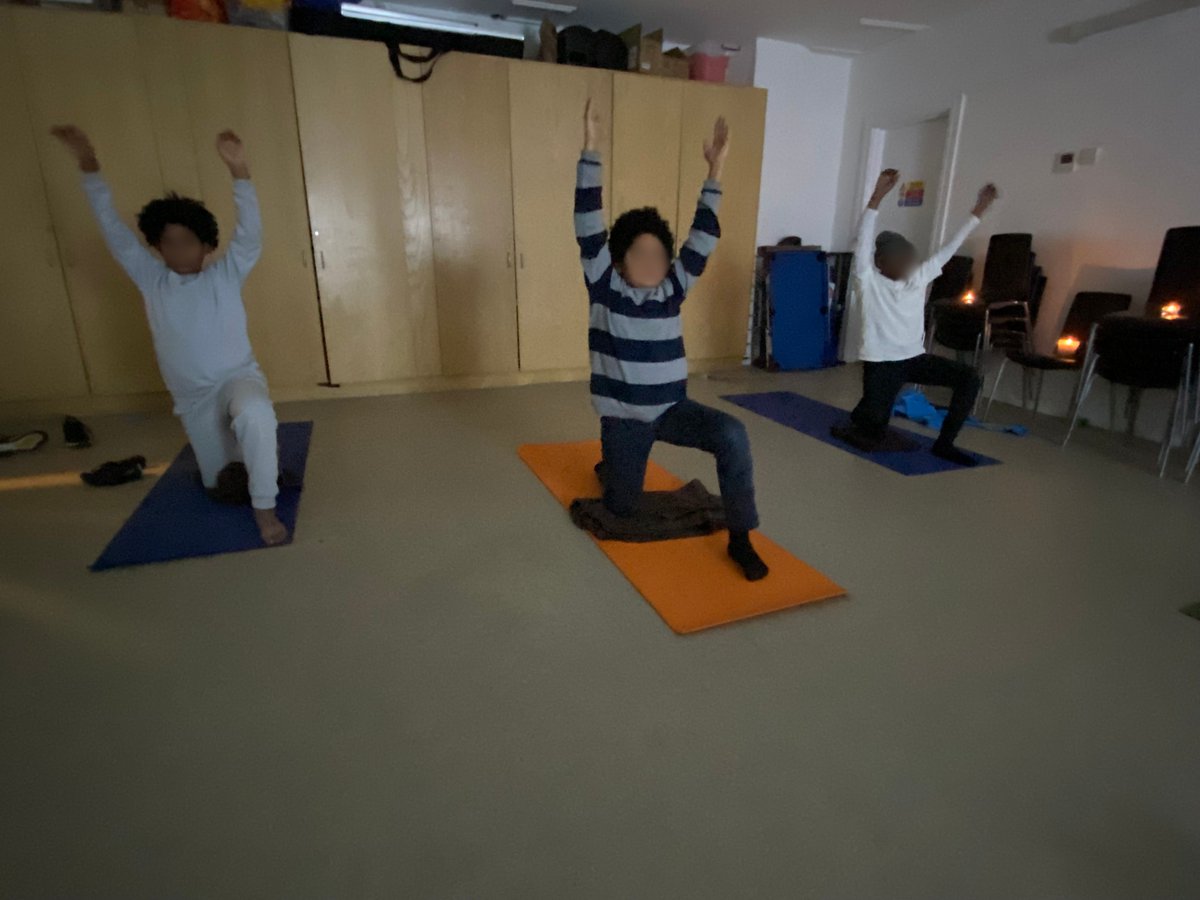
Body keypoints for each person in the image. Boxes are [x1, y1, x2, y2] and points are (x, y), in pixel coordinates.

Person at [51, 125, 287, 545]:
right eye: (169, 243)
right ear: (158, 248)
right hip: (193, 396)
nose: (179, 251)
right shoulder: (151, 280)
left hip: (237, 377)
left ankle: (264, 507)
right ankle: (240, 458)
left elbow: (250, 236)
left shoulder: (226, 275)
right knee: (219, 484)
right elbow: (113, 231)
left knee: (256, 414)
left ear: (206, 245)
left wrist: (239, 171)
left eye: (187, 242)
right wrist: (89, 164)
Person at [575, 99, 768, 581]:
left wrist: (716, 169)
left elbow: (702, 238)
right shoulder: (605, 287)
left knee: (732, 434)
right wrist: (591, 149)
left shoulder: (672, 291)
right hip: (625, 420)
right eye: (640, 255)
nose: (652, 264)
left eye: (659, 256)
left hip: (673, 409)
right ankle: (614, 466)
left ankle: (741, 537)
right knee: (622, 508)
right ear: (619, 261)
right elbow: (587, 226)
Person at [835, 168, 999, 466]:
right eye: (898, 257)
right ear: (880, 262)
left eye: (908, 256)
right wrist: (877, 196)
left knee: (969, 378)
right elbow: (862, 239)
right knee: (873, 428)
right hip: (881, 363)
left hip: (913, 358)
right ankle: (865, 414)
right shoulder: (867, 280)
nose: (907, 262)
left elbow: (950, 247)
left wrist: (979, 210)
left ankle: (945, 443)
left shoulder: (918, 277)